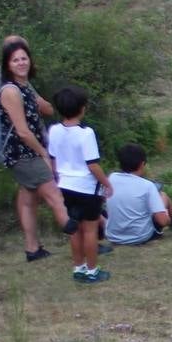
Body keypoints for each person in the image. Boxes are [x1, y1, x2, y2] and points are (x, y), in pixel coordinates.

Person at [0, 40, 76, 261]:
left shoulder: (24, 87)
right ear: (7, 65)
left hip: (28, 153)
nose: (21, 63)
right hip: (25, 154)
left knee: (28, 200)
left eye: (24, 58)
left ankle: (33, 249)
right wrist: (43, 153)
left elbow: (48, 109)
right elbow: (22, 132)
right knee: (55, 195)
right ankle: (84, 240)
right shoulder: (11, 91)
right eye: (15, 60)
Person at [46, 85, 112, 283]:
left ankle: (78, 268)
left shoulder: (55, 130)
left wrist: (58, 178)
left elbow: (53, 159)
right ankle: (92, 271)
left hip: (65, 185)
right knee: (90, 230)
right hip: (86, 188)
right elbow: (92, 165)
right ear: (83, 108)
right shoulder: (86, 133)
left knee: (74, 230)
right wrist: (107, 183)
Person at [105, 143, 172, 246]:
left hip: (114, 237)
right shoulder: (147, 186)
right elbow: (162, 221)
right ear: (142, 164)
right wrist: (166, 218)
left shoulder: (111, 178)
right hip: (141, 236)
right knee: (163, 196)